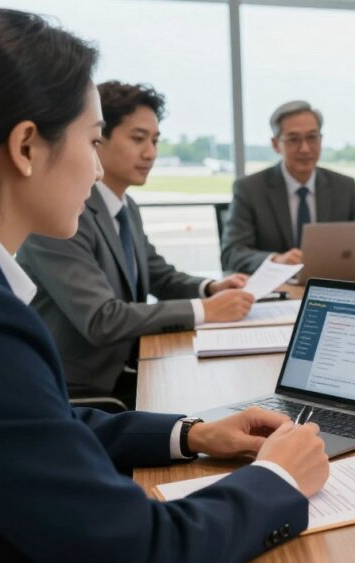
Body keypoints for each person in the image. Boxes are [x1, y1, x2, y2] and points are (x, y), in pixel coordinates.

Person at [0, 9, 329, 560]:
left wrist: (192, 433)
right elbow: (140, 546)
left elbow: (47, 427)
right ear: (26, 148)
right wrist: (278, 480)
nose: (96, 172)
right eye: (92, 141)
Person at [18, 82, 254, 407]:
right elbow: (103, 319)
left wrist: (210, 288)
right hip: (82, 393)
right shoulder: (61, 216)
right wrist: (206, 310)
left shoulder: (125, 207)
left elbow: (161, 276)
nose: (151, 153)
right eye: (138, 138)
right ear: (100, 140)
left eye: (155, 141)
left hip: (133, 370)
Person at [221, 100, 355, 274]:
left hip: (328, 286)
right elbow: (232, 253)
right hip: (276, 292)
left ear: (321, 140)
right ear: (276, 144)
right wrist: (275, 260)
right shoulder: (250, 189)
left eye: (312, 137)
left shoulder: (344, 187)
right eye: (293, 140)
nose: (305, 149)